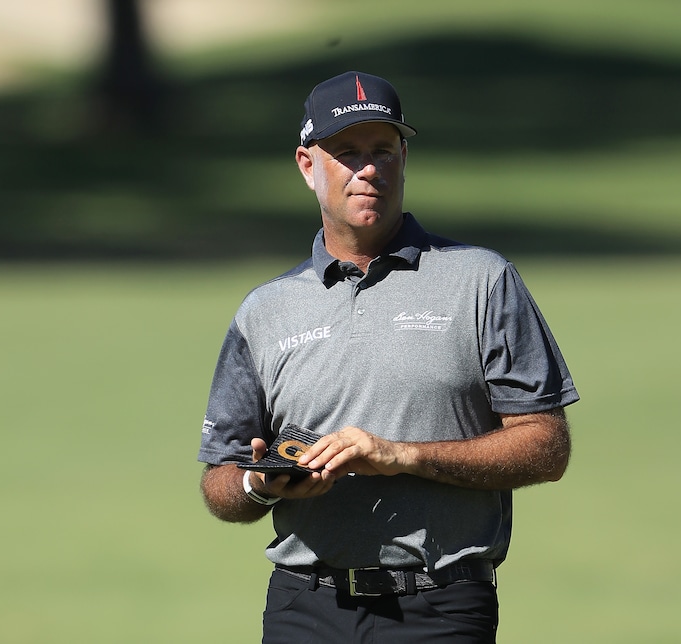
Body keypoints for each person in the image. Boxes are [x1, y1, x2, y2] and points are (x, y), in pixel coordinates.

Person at [197, 71, 579, 643]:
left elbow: (546, 447)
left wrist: (403, 455)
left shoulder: (480, 280)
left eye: (383, 150)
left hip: (441, 606)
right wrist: (260, 486)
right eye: (346, 152)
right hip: (303, 607)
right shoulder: (265, 311)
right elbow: (220, 481)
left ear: (404, 156)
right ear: (307, 165)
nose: (368, 169)